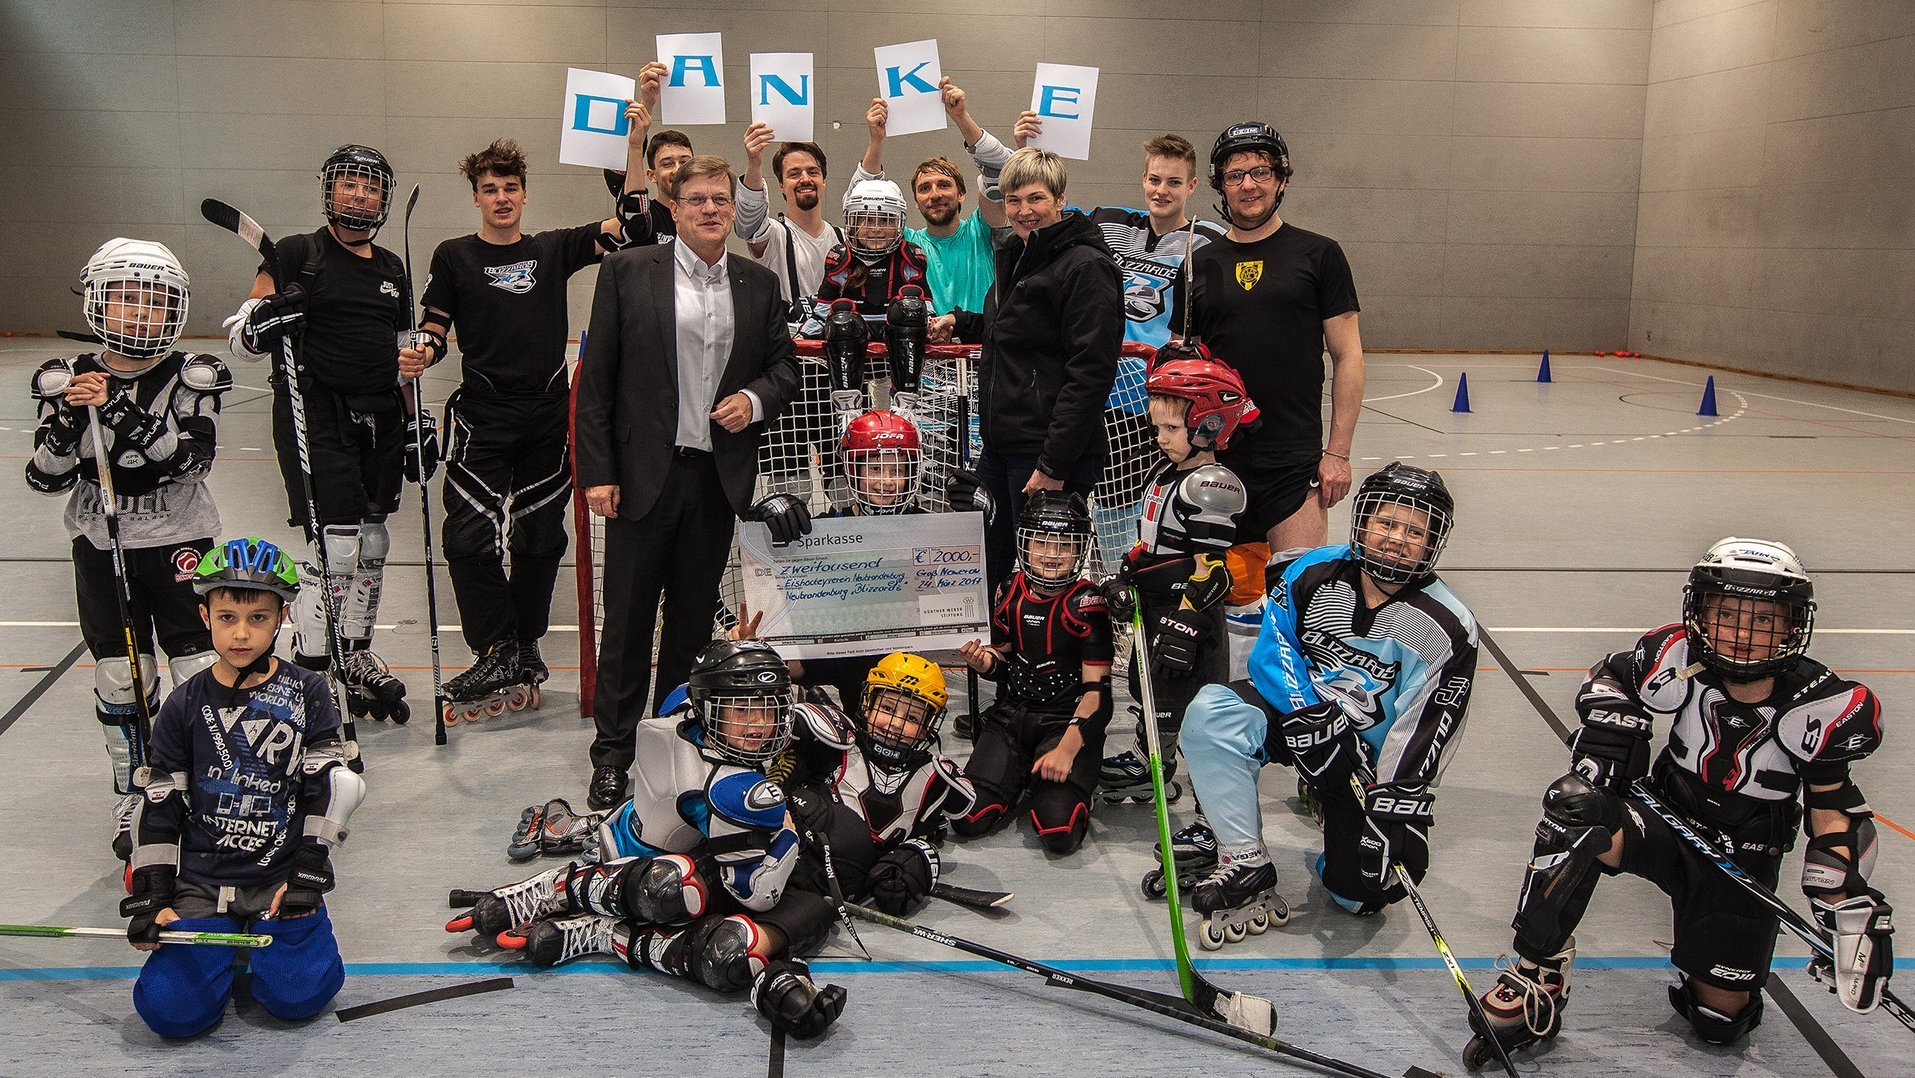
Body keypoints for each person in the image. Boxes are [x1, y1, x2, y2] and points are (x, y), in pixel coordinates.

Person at [1468, 538, 1892, 1062]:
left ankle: (1711, 975)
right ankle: (1538, 972)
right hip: (1661, 822)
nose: (1742, 634)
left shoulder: (1823, 704)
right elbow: (1611, 675)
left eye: (1763, 620)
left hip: (1743, 858)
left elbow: (1835, 811)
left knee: (1720, 1023)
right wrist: (1612, 731)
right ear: (1701, 615)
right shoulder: (1675, 658)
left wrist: (1843, 902)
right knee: (1575, 808)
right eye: (1727, 615)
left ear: (1791, 627)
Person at [444, 641, 848, 1040]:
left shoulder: (680, 706)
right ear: (709, 708)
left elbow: (706, 687)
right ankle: (560, 889)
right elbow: (758, 893)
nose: (758, 724)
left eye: (767, 708)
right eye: (742, 710)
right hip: (661, 874)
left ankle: (605, 932)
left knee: (726, 956)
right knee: (672, 887)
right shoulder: (737, 790)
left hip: (633, 840)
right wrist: (788, 833)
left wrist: (733, 659)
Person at [573, 155, 804, 811]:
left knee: (688, 627)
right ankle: (612, 755)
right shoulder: (627, 271)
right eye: (696, 199)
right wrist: (598, 473)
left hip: (714, 480)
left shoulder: (757, 283)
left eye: (720, 200)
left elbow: (784, 369)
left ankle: (669, 742)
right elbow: (597, 382)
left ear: (733, 210)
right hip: (640, 478)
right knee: (627, 626)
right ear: (673, 209)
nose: (709, 209)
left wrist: (753, 401)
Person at [1177, 463, 1477, 946]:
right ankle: (1245, 859)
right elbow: (1275, 647)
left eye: (1414, 531)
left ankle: (1331, 810)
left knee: (1363, 894)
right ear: (1363, 522)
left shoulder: (1446, 625)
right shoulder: (1313, 571)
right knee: (1212, 713)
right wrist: (1307, 713)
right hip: (1296, 717)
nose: (1396, 539)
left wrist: (1396, 805)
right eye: (1387, 523)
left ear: (1432, 543)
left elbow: (1427, 727)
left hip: (1360, 761)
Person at [417, 127, 647, 724]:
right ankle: (495, 648)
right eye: (490, 189)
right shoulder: (453, 256)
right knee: (467, 537)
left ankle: (523, 646)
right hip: (483, 417)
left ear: (525, 193)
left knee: (540, 539)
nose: (501, 198)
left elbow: (630, 226)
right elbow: (435, 325)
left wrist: (634, 147)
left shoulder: (552, 248)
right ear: (476, 197)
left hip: (548, 416)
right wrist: (423, 350)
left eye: (511, 187)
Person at [27, 238, 229, 853]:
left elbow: (191, 463)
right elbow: (44, 477)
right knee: (122, 672)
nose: (139, 312)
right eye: (125, 299)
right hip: (101, 537)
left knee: (197, 664)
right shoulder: (65, 377)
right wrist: (69, 418)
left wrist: (117, 409)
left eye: (154, 301)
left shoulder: (191, 376)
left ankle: (203, 785)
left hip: (178, 535)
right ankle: (136, 790)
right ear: (97, 302)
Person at [122, 537, 364, 1038]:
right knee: (171, 1013)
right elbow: (161, 802)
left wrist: (308, 870)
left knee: (298, 999)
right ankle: (222, 943)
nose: (241, 633)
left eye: (258, 618)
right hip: (202, 883)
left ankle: (270, 942)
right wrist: (153, 891)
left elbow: (330, 786)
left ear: (282, 618)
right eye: (227, 617)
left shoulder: (309, 690)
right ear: (205, 616)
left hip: (278, 878)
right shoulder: (183, 704)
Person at [225, 143, 424, 733]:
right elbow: (241, 337)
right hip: (315, 414)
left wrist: (415, 421)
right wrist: (264, 321)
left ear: (383, 199)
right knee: (335, 546)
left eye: (371, 187)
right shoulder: (296, 254)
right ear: (329, 190)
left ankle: (354, 650)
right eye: (349, 184)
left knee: (373, 539)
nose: (359, 195)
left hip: (380, 417)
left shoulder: (392, 269)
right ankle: (312, 666)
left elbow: (403, 353)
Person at [933, 148, 1123, 591]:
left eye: (1035, 198)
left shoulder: (1086, 266)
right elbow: (1014, 327)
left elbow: (1090, 374)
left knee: (1045, 580)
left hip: (1048, 454)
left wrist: (1053, 465)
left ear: (1061, 199)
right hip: (1001, 446)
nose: (1023, 211)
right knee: (987, 568)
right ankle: (996, 638)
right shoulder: (1019, 253)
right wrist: (962, 322)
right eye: (1013, 200)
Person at [1169, 122, 1364, 553]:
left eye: (1260, 172)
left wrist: (1338, 453)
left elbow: (1348, 356)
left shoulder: (1320, 255)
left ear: (1281, 179)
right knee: (1209, 591)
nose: (1248, 185)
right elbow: (1181, 366)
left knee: (1297, 587)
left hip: (1293, 464)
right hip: (1214, 459)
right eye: (1235, 175)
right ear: (1220, 186)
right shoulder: (1198, 265)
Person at [735, 408, 990, 718]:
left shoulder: (931, 530)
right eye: (875, 469)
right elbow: (765, 575)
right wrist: (762, 526)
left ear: (913, 472)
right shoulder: (824, 531)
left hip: (915, 679)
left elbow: (970, 585)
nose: (887, 482)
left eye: (897, 470)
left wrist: (984, 524)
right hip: (840, 664)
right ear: (852, 469)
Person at [1096, 351, 1257, 830]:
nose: (1160, 437)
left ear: (1209, 426)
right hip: (1157, 609)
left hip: (1188, 619)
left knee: (1191, 707)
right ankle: (1151, 763)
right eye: (1158, 427)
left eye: (1171, 428)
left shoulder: (1211, 484)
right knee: (1152, 694)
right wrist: (1126, 575)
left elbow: (1213, 572)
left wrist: (1185, 622)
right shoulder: (1168, 473)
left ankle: (1212, 806)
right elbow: (1151, 544)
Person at [950, 492, 1114, 856]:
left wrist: (1066, 750)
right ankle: (1019, 772)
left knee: (1059, 831)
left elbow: (1098, 695)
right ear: (1024, 543)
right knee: (966, 818)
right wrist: (983, 662)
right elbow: (1005, 661)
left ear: (1080, 548)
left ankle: (1061, 780)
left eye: (1064, 544)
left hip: (1064, 722)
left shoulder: (1088, 602)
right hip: (1011, 717)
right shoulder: (1008, 590)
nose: (1052, 553)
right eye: (1041, 542)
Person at [779, 653, 979, 916]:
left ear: (928, 726)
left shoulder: (937, 775)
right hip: (806, 860)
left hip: (863, 878)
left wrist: (917, 858)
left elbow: (964, 808)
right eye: (887, 709)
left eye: (912, 718)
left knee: (915, 862)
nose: (896, 724)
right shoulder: (835, 743)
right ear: (867, 705)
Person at [1009, 123, 1223, 350]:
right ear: (1143, 178)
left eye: (1174, 182)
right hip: (1095, 358)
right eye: (1154, 180)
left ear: (1191, 186)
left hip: (1158, 365)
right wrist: (1027, 150)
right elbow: (1052, 215)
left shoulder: (1206, 240)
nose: (1161, 190)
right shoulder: (1107, 222)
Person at [853, 79, 1010, 317]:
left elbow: (1000, 170)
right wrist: (876, 140)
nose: (935, 194)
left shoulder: (982, 231)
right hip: (920, 340)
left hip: (977, 339)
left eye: (944, 185)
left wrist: (961, 117)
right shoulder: (906, 243)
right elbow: (863, 201)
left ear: (961, 194)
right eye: (924, 188)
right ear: (916, 202)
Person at [734, 132, 844, 319]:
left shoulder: (843, 238)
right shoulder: (774, 235)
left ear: (824, 181)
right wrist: (754, 163)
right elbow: (748, 223)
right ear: (781, 184)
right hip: (789, 336)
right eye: (794, 174)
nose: (805, 179)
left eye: (813, 172)